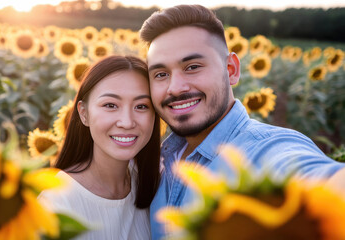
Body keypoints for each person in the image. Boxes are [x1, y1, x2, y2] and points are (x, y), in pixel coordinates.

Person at [138, 4, 345, 239]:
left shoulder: (266, 152)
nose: (175, 88)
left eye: (192, 67)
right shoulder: (158, 160)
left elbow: (316, 178)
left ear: (232, 69)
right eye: (161, 74)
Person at [38, 55, 161, 239]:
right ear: (84, 113)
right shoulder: (56, 202)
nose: (127, 122)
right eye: (110, 105)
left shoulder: (154, 186)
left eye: (142, 106)